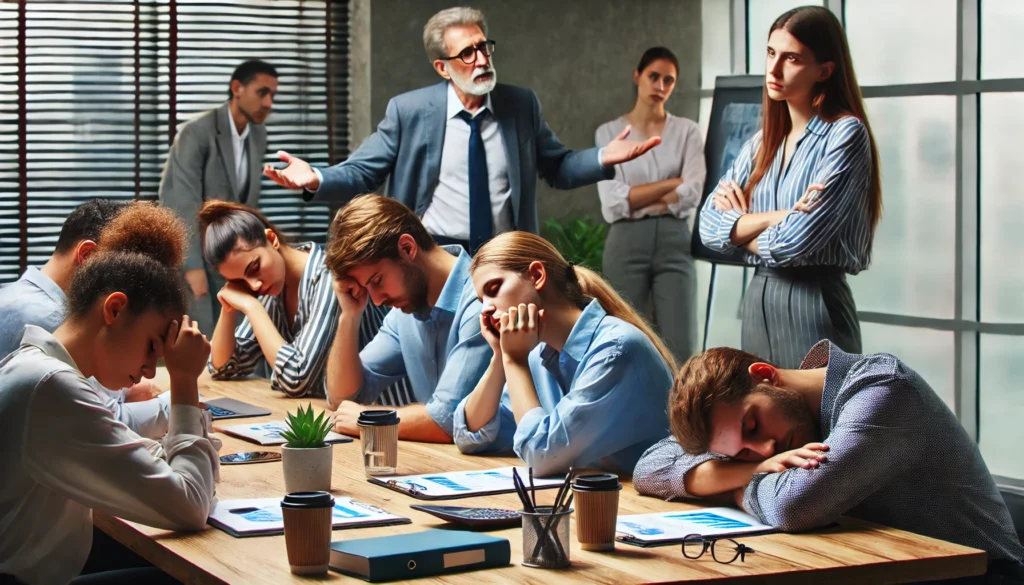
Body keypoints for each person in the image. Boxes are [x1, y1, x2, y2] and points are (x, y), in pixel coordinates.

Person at [263, 7, 658, 253]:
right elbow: (363, 172)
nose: (482, 59)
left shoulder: (520, 105)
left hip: (504, 253)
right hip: (431, 252)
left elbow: (558, 167)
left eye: (484, 47)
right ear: (442, 67)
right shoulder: (409, 111)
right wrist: (315, 176)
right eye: (467, 53)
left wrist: (603, 157)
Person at [633, 341, 1024, 583]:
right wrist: (753, 469)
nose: (767, 448)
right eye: (742, 453)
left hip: (978, 575)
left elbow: (795, 505)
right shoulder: (763, 434)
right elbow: (649, 468)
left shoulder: (884, 389)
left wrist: (734, 485)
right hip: (880, 569)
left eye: (753, 425)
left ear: (766, 376)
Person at [0, 202, 219, 585]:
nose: (152, 371)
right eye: (153, 345)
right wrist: (185, 381)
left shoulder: (40, 369)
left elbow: (166, 469)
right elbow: (190, 505)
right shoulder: (51, 387)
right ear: (114, 309)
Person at [697, 6, 881, 368]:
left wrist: (741, 226)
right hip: (757, 301)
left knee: (820, 421)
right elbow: (706, 226)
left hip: (814, 304)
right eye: (770, 53)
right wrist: (776, 217)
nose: (774, 69)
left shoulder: (844, 134)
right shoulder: (762, 142)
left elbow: (795, 243)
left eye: (791, 58)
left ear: (824, 70)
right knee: (764, 418)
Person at [452, 231, 675, 477]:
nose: (486, 310)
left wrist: (514, 362)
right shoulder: (538, 354)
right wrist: (499, 357)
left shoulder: (615, 349)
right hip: (594, 499)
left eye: (494, 289)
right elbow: (470, 435)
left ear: (537, 276)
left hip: (643, 506)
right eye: (481, 300)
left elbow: (540, 457)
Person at [199, 200, 412, 404]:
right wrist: (229, 306)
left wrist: (252, 307)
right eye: (239, 281)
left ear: (272, 239)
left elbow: (296, 378)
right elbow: (222, 368)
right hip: (333, 421)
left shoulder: (330, 279)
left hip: (384, 418)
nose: (253, 286)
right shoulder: (271, 286)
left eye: (254, 268)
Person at [323, 195, 493, 443]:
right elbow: (343, 397)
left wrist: (369, 420)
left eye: (377, 280)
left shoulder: (482, 301)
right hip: (440, 466)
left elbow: (449, 419)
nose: (377, 300)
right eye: (364, 287)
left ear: (407, 248)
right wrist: (349, 315)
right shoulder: (403, 312)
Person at [0, 199, 173, 440]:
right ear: (88, 256)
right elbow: (104, 426)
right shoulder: (51, 320)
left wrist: (123, 393)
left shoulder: (16, 295)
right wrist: (182, 399)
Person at [596, 46, 706, 364]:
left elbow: (694, 191)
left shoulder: (687, 132)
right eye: (653, 77)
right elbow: (614, 201)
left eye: (668, 81)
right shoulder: (609, 133)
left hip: (675, 241)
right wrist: (671, 184)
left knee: (681, 343)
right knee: (621, 337)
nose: (660, 86)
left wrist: (638, 196)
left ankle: (681, 413)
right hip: (625, 242)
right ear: (638, 76)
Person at [160, 59, 278, 337]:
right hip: (198, 257)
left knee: (237, 345)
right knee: (199, 343)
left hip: (236, 259)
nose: (269, 103)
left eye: (273, 95)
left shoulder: (259, 135)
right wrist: (191, 268)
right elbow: (180, 201)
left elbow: (247, 203)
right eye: (262, 93)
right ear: (237, 88)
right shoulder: (196, 133)